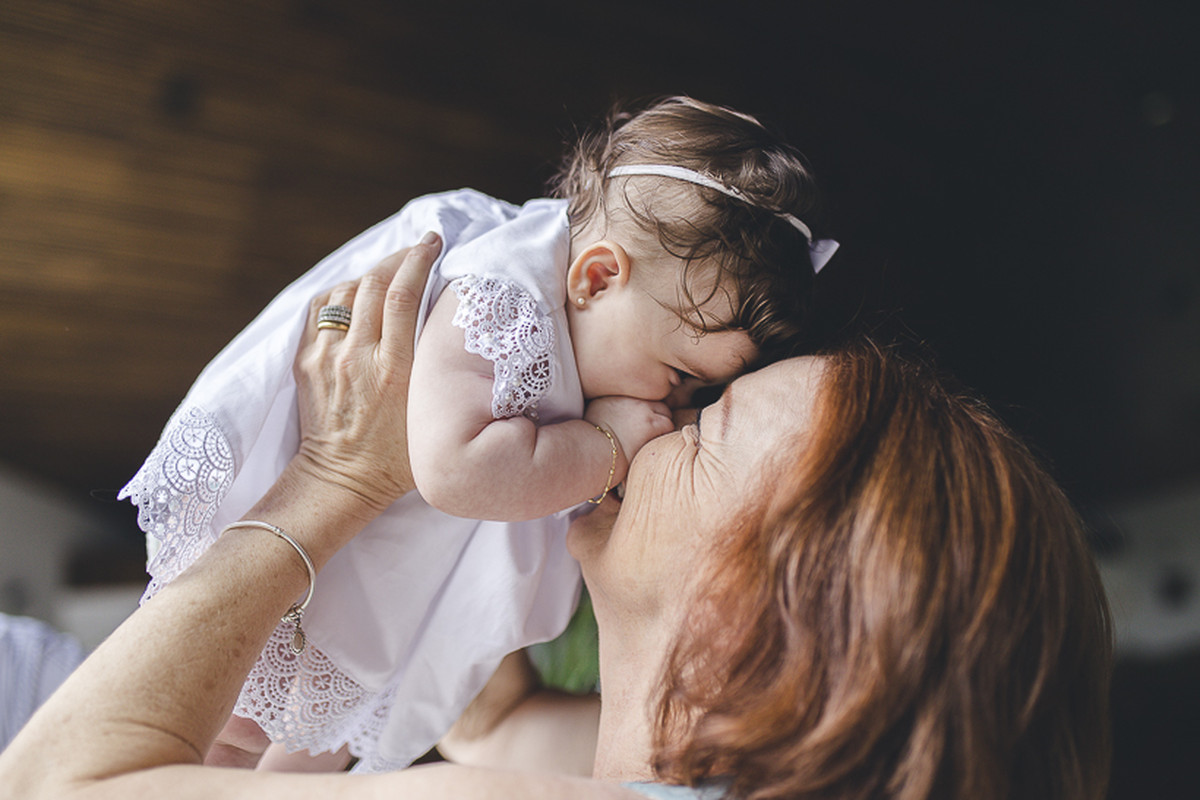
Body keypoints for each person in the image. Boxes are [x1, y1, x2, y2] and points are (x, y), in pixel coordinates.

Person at [0, 242, 1112, 799]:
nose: (649, 418)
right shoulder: (669, 765)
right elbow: (488, 724)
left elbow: (56, 785)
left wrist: (334, 479)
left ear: (761, 615)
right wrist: (430, 549)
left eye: (702, 420)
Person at [118, 96, 838, 771]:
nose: (675, 405)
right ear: (594, 279)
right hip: (315, 551)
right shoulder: (502, 294)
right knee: (229, 729)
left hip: (380, 561)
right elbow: (454, 466)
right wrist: (604, 446)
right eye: (680, 374)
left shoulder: (593, 337)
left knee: (314, 741)